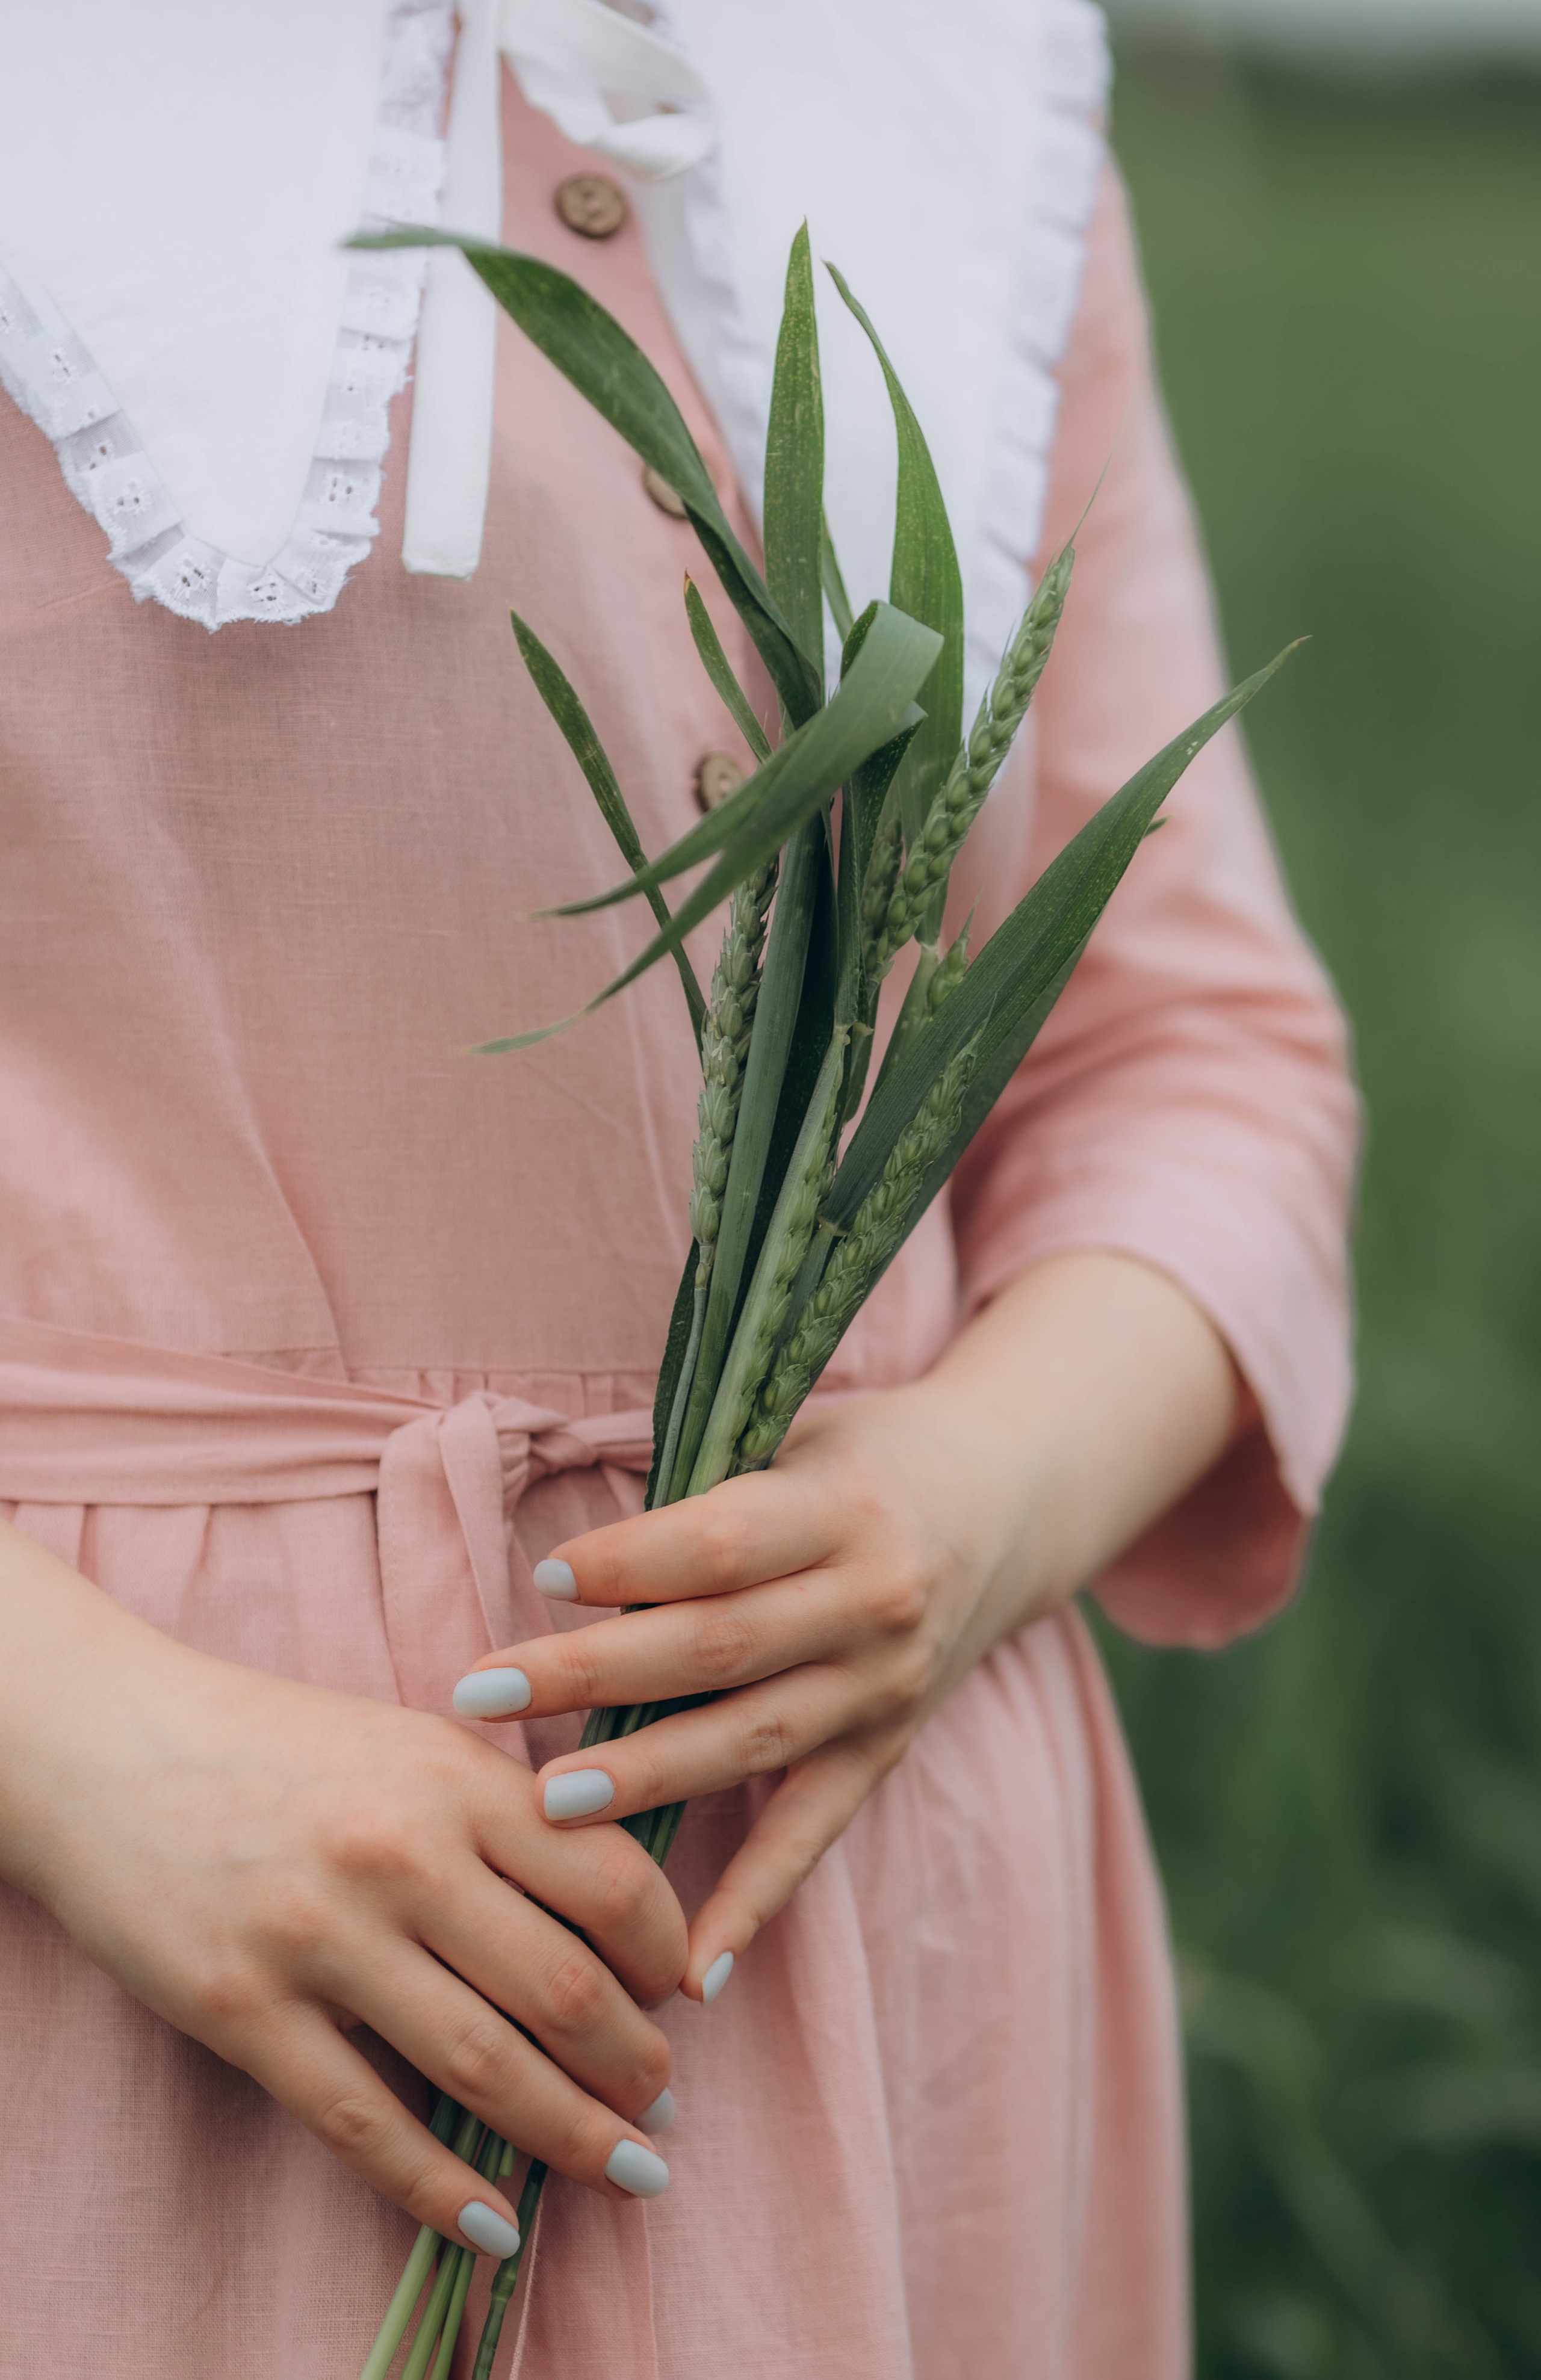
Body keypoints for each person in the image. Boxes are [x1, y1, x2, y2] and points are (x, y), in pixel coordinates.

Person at [0, 2, 1356, 2372]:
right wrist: (97, 1750)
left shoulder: (952, 88)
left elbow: (1195, 1052)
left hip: (837, 1916)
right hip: (102, 1924)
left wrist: (964, 1496)